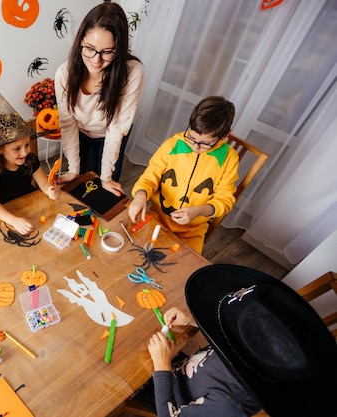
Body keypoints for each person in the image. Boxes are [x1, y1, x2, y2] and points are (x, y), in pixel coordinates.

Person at [135, 264, 337, 417]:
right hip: (176, 367)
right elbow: (225, 339)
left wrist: (162, 366)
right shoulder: (247, 349)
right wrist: (193, 321)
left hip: (163, 396)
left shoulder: (229, 406)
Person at [55, 1, 144, 196]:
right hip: (79, 131)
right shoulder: (64, 73)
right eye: (90, 48)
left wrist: (106, 177)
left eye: (107, 52)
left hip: (111, 134)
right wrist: (73, 169)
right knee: (78, 185)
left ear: (119, 49)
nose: (96, 60)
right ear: (80, 41)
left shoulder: (132, 72)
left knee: (103, 191)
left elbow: (117, 128)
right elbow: (68, 123)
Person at [128, 96, 238, 254]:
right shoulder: (174, 144)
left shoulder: (229, 159)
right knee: (135, 250)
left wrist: (199, 211)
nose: (195, 146)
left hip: (192, 231)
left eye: (205, 143)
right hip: (158, 217)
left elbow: (224, 200)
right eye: (191, 137)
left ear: (225, 135)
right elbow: (150, 176)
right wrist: (140, 196)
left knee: (181, 270)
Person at [0, 82, 58, 236]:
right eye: (17, 149)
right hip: (3, 215)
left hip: (27, 206)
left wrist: (49, 190)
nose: (24, 152)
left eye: (27, 145)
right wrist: (14, 220)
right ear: (0, 149)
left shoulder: (31, 160)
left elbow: (43, 182)